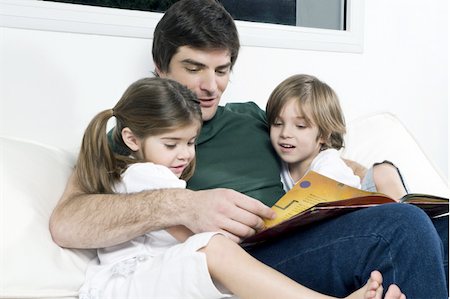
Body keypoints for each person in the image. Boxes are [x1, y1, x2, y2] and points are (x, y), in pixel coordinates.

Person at [50, 0, 448, 297]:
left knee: (440, 226)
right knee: (402, 228)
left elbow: (322, 157)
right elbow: (67, 221)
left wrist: (378, 172)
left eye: (221, 71)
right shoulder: (139, 136)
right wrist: (184, 206)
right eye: (194, 68)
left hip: (305, 241)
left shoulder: (252, 117)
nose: (210, 86)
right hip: (245, 264)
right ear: (160, 66)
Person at [75, 77, 402, 299]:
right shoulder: (143, 175)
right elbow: (189, 230)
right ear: (131, 139)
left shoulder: (159, 170)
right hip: (134, 280)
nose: (185, 154)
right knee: (213, 245)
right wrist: (258, 230)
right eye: (171, 144)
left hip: (163, 271)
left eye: (190, 142)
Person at [266, 74, 407, 199]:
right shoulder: (275, 163)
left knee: (384, 174)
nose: (285, 133)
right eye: (278, 123)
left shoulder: (328, 166)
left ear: (323, 135)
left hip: (365, 201)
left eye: (300, 126)